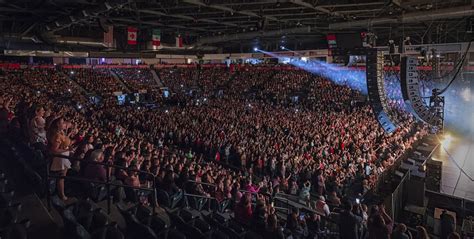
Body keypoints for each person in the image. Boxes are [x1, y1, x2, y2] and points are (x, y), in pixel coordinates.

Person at [47, 117, 74, 200]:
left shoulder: (60, 132)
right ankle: (62, 195)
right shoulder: (57, 135)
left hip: (63, 156)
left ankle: (60, 193)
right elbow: (54, 150)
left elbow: (64, 140)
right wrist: (67, 149)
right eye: (62, 122)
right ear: (58, 125)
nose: (64, 124)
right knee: (61, 177)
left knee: (62, 177)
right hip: (61, 158)